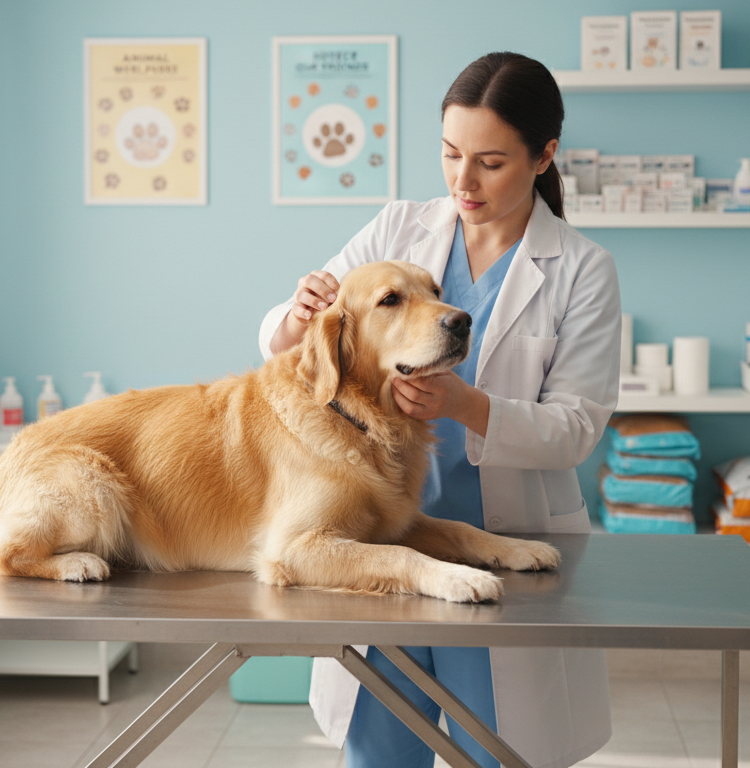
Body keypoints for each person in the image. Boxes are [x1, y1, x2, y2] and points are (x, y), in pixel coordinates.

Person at [258, 51, 621, 768]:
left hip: (503, 544)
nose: (463, 181)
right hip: (381, 538)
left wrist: (468, 405)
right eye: (451, 154)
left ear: (545, 156)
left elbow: (577, 428)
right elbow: (301, 340)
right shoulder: (401, 228)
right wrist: (296, 314)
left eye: (490, 161)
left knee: (501, 749)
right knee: (381, 749)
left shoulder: (581, 268)